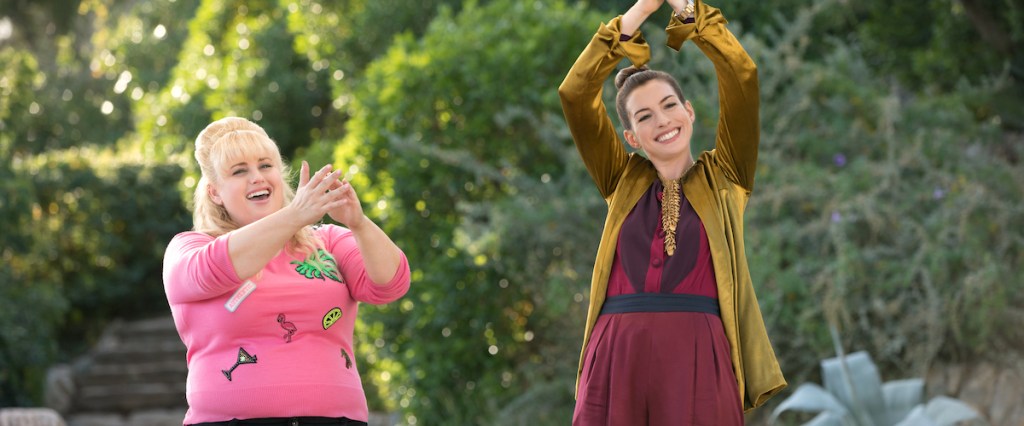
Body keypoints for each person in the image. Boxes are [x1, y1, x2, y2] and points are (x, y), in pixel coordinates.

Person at [558, 0, 786, 423]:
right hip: (615, 358)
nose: (661, 120)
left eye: (668, 105)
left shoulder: (727, 177)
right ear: (631, 136)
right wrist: (635, 17)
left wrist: (689, 12)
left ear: (689, 112)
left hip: (698, 357)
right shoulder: (620, 180)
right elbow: (575, 95)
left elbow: (742, 76)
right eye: (644, 116)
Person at [162, 117, 411, 426]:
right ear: (214, 193)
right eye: (240, 171)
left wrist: (358, 222)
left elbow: (391, 284)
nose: (257, 178)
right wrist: (295, 216)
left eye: (266, 166)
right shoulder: (190, 248)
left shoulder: (328, 241)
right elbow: (214, 269)